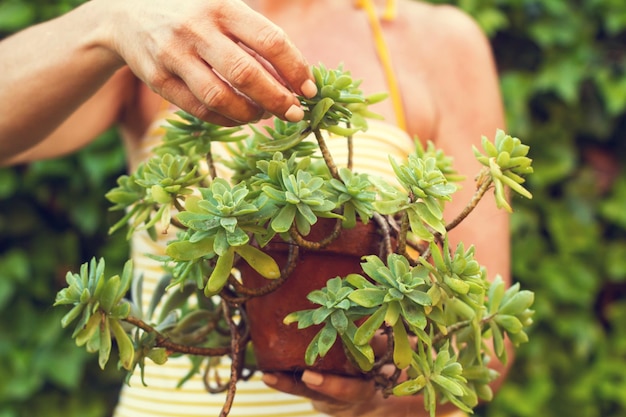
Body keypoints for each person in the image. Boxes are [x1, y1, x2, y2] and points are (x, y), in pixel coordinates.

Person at [0, 0, 512, 416]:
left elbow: (483, 349)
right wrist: (110, 21)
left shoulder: (438, 42)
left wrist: (380, 400)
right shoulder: (163, 20)